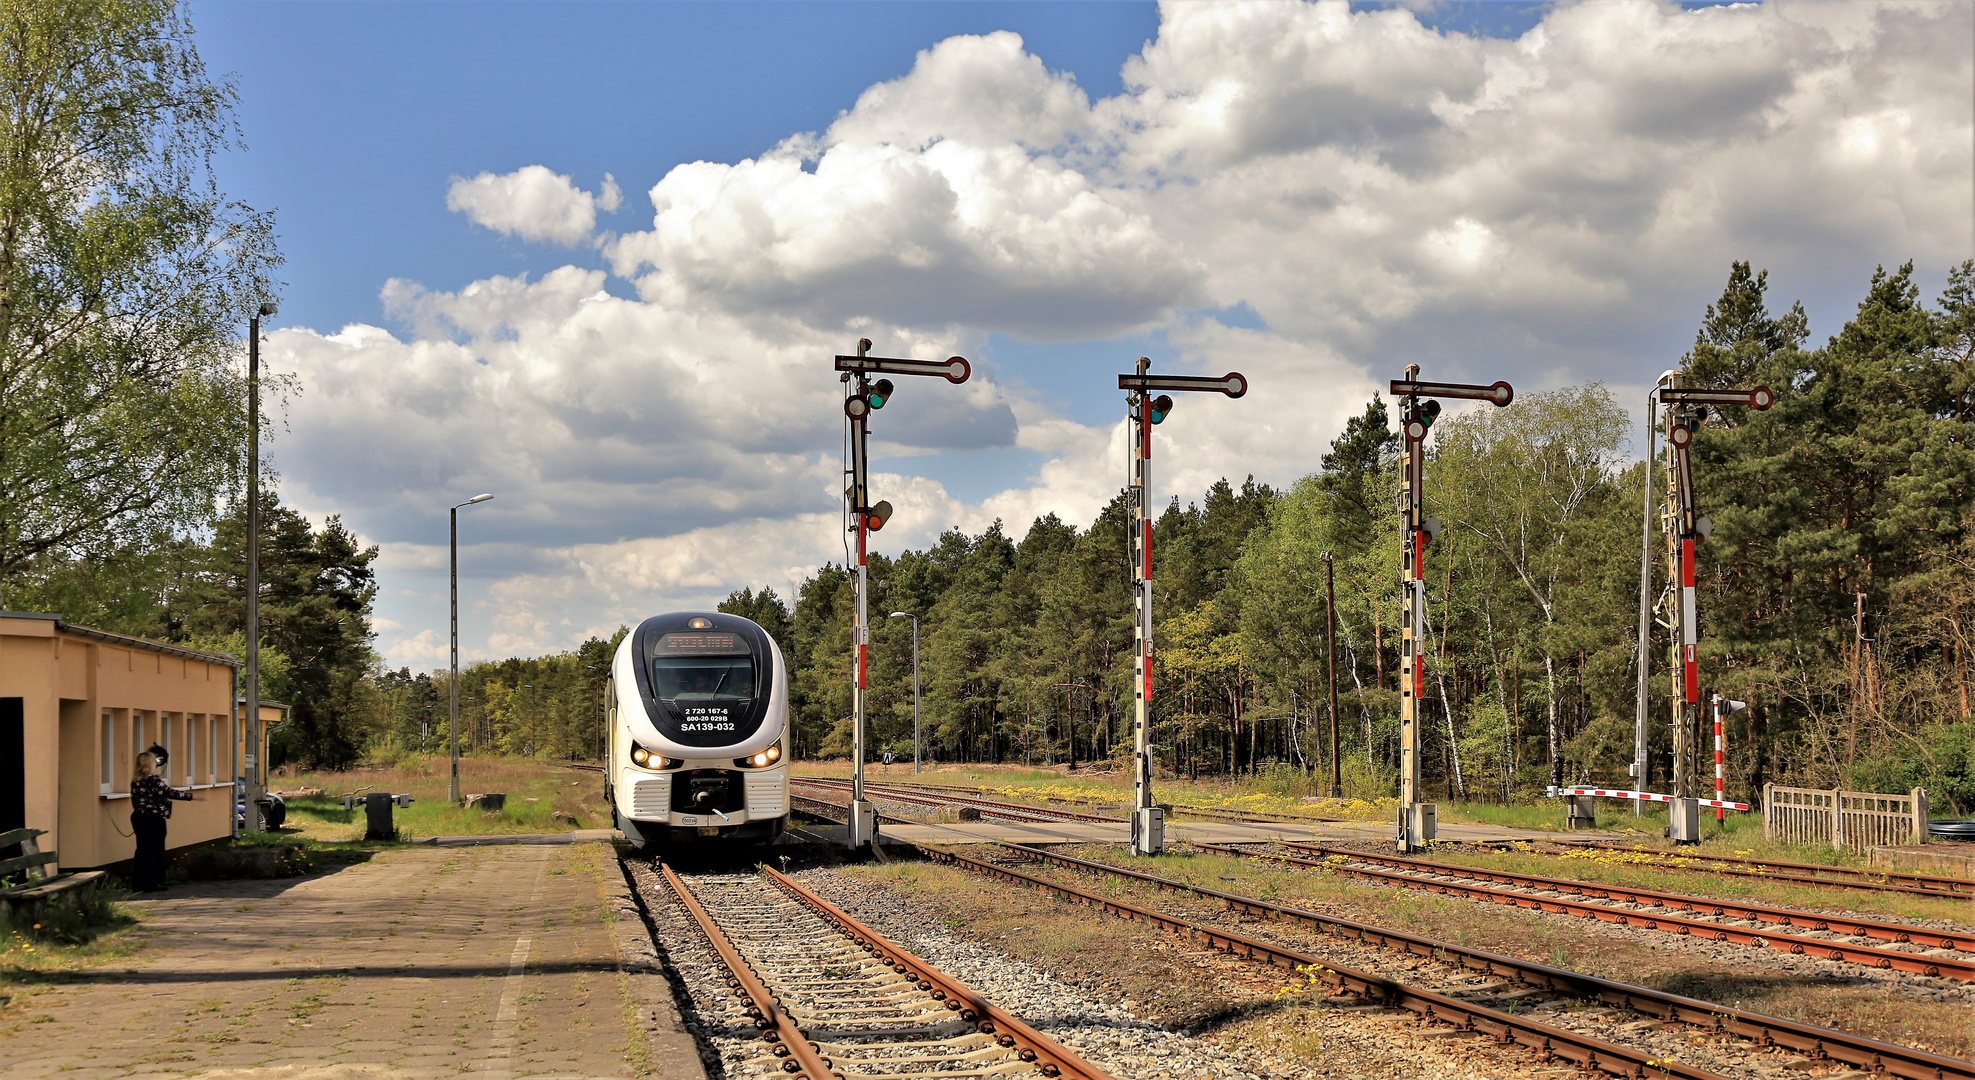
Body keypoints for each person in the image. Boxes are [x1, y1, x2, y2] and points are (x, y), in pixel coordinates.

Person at [130, 750, 201, 892]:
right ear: (150, 764)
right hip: (153, 819)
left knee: (142, 850)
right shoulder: (153, 780)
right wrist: (191, 796)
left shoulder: (136, 781)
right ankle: (151, 881)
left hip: (139, 817)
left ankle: (138, 881)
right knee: (154, 850)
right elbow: (169, 792)